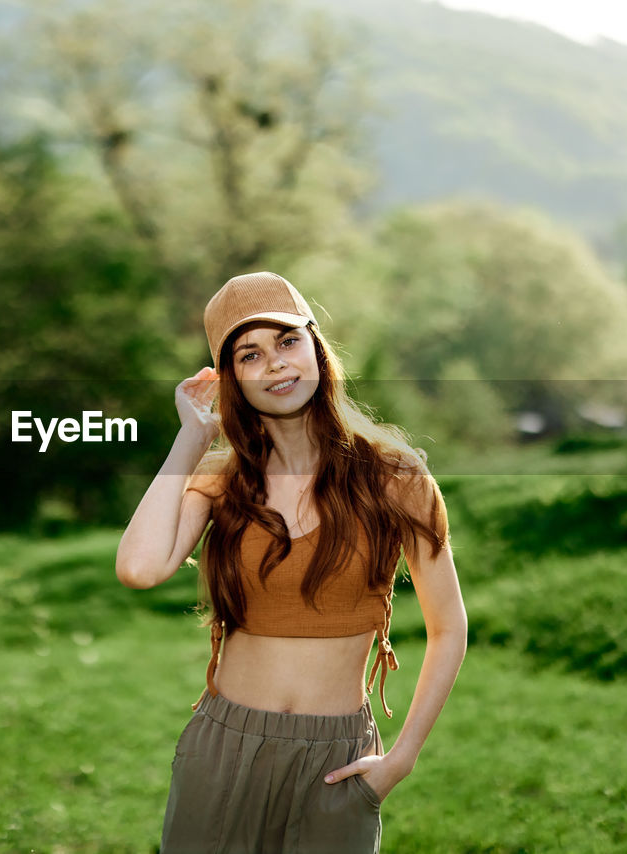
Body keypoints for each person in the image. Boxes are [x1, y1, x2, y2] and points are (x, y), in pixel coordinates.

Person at [115, 271, 467, 853]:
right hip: (224, 746)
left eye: (287, 342)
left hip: (338, 760)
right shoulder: (222, 481)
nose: (276, 365)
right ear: (231, 379)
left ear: (316, 350)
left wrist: (401, 759)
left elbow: (448, 627)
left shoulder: (396, 477)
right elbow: (140, 568)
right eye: (249, 355)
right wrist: (192, 439)